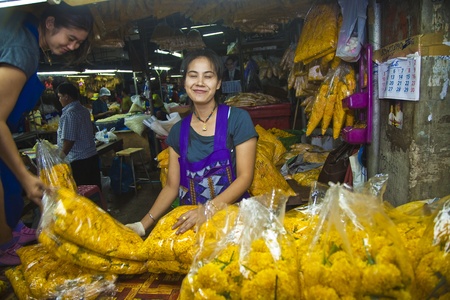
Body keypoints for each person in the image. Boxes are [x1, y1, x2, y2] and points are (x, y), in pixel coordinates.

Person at [126, 49, 258, 236]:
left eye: (208, 76)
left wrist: (207, 210)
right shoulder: (179, 131)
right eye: (193, 75)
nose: (200, 83)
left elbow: (245, 177)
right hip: (193, 226)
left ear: (219, 83)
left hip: (234, 223)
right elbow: (172, 187)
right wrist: (142, 224)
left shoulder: (237, 119)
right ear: (185, 82)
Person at [0, 3, 93, 265]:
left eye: (79, 42)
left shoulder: (21, 32)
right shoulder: (22, 48)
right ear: (50, 23)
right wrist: (25, 177)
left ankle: (11, 232)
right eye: (71, 38)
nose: (73, 47)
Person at [56, 83, 101, 190]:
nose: (59, 100)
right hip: (91, 157)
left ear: (66, 96)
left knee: (84, 193)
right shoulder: (83, 110)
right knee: (94, 191)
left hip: (79, 162)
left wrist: (60, 157)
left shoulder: (70, 114)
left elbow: (69, 140)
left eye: (60, 97)